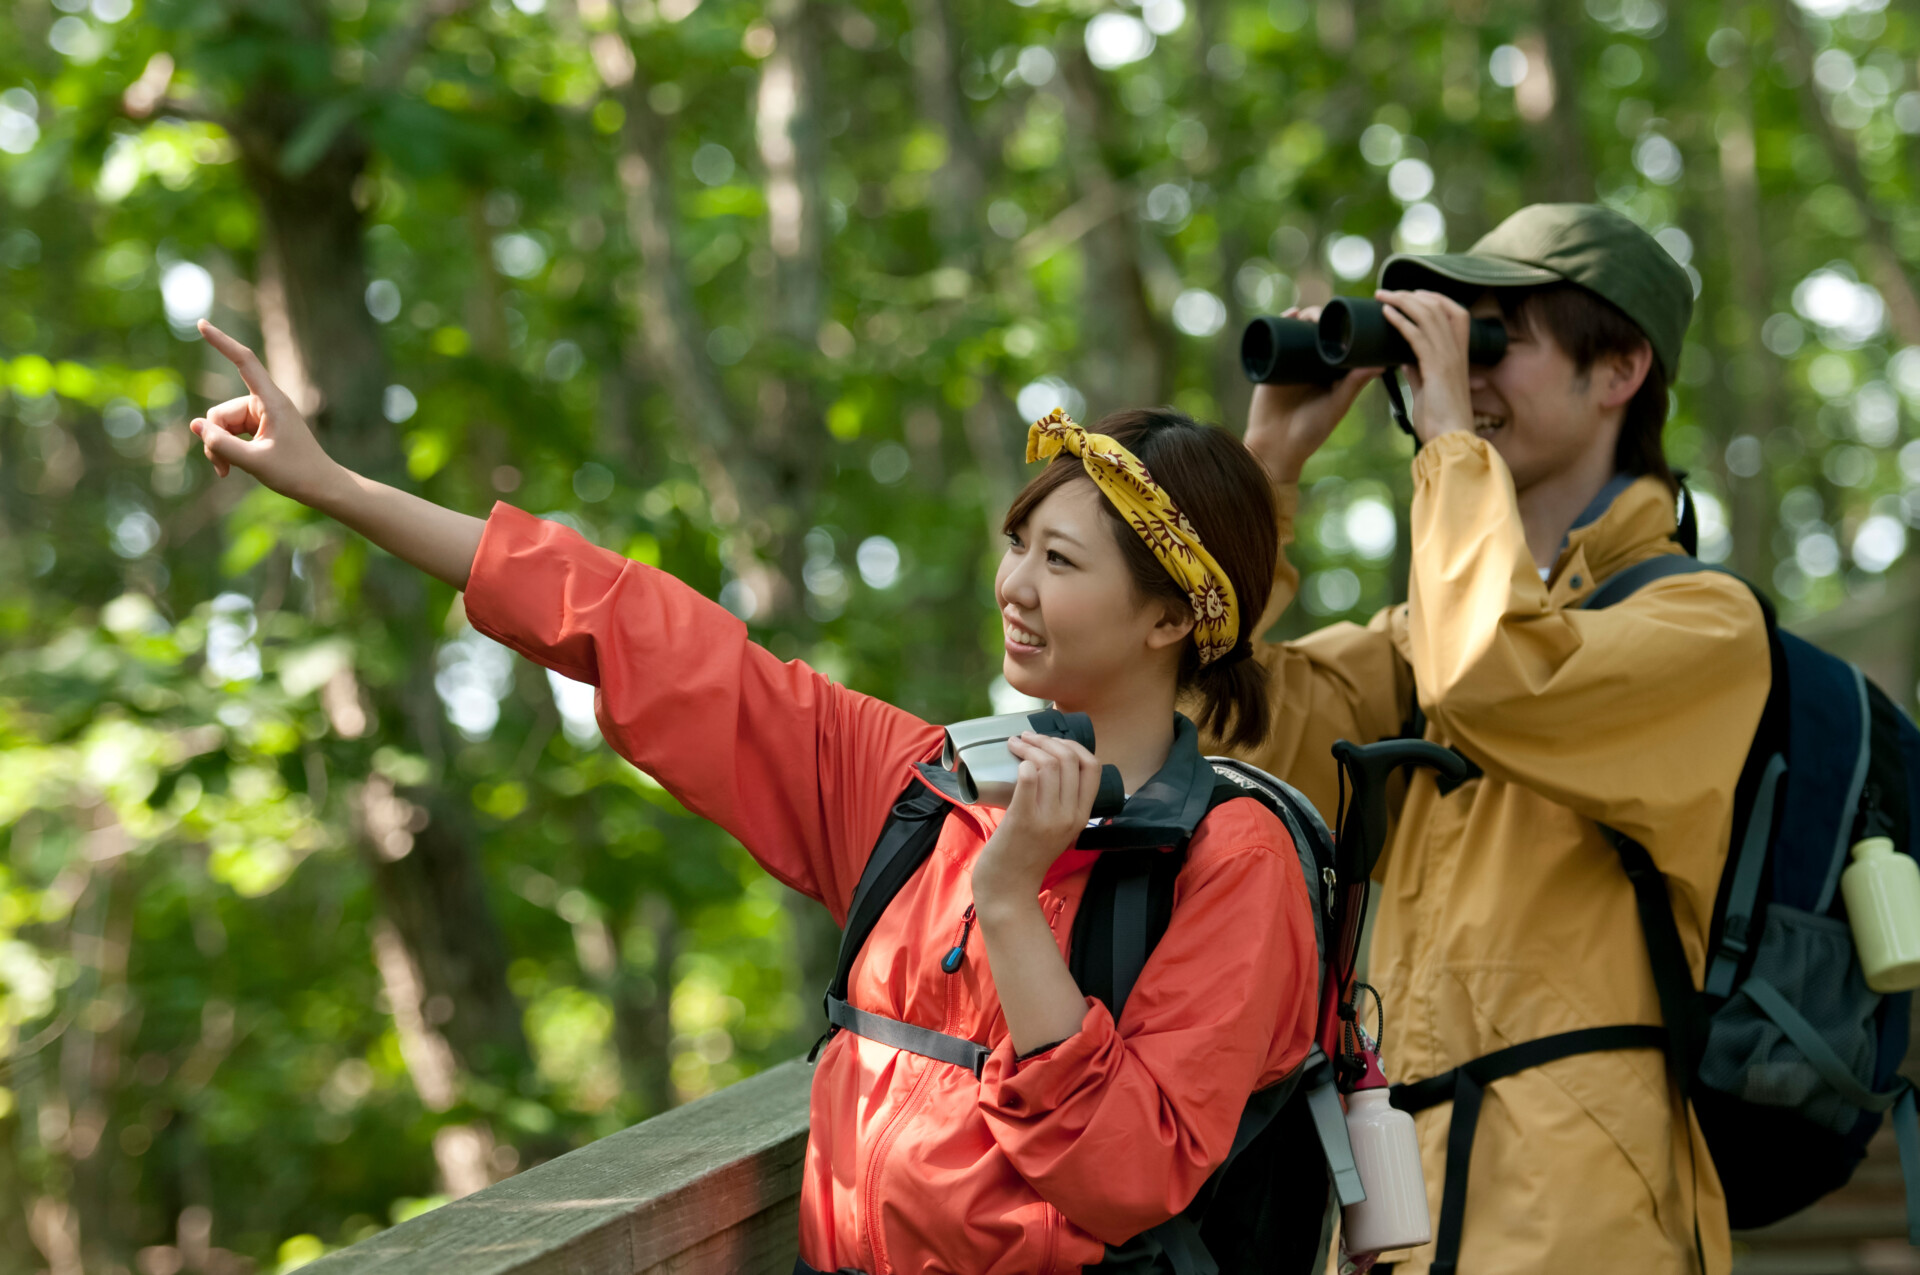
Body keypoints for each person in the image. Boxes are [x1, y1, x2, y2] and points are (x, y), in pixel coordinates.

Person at [185, 322, 1321, 1274]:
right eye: (1017, 542)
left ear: (1172, 619)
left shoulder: (1234, 860)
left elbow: (1128, 1173)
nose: (1015, 585)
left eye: (1061, 563)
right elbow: (629, 626)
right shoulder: (922, 783)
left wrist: (1013, 903)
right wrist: (336, 488)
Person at [1219, 204, 1769, 1275]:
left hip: (1584, 1218)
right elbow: (1221, 729)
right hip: (1395, 1212)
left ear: (1618, 370)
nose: (1461, 371)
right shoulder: (1429, 628)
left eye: (1496, 339)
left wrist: (1449, 449)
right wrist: (1263, 470)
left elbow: (1494, 677)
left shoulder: (1704, 625)